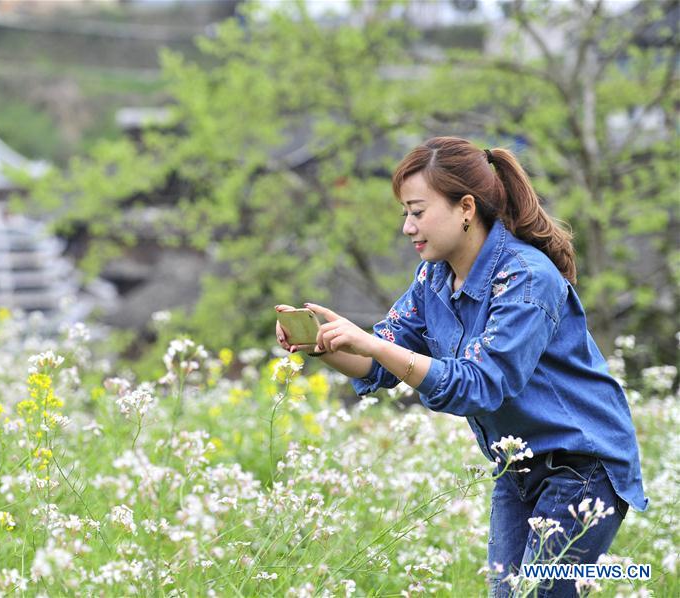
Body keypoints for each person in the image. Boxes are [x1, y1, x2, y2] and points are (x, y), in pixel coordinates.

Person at [275, 136, 648, 597]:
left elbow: (481, 385)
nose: (408, 228)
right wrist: (324, 344)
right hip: (516, 465)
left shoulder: (526, 278)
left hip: (582, 466)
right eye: (405, 214)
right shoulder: (434, 278)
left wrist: (370, 344)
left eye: (417, 211)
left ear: (466, 208)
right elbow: (381, 363)